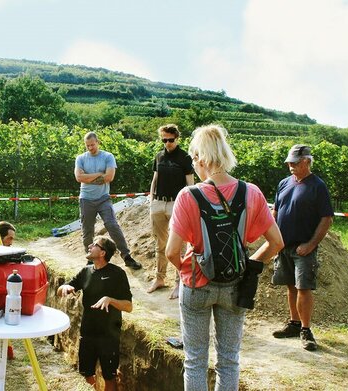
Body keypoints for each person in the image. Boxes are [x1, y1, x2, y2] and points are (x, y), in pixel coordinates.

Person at [165, 124, 283, 391]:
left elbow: (171, 251)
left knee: (195, 361)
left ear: (203, 158)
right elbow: (277, 243)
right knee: (229, 361)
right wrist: (251, 266)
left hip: (197, 285)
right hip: (235, 286)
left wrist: (187, 270)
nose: (193, 164)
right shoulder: (251, 192)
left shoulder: (188, 195)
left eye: (194, 158)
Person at [271, 144, 333, 351]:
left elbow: (326, 218)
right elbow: (276, 210)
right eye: (289, 162)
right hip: (284, 245)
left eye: (295, 162)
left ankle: (306, 330)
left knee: (303, 287)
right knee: (290, 285)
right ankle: (294, 324)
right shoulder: (283, 183)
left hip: (303, 247)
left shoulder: (318, 186)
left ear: (307, 161)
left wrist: (310, 245)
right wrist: (274, 238)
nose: (290, 165)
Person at [57, 236, 132, 391]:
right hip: (88, 332)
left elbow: (128, 306)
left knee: (109, 377)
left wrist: (110, 300)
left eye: (95, 244)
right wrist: (64, 287)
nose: (90, 246)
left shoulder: (117, 274)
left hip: (109, 336)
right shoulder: (86, 271)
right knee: (87, 374)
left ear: (102, 252)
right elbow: (62, 289)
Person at [74, 132, 142, 270]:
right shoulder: (80, 158)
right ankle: (90, 258)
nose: (90, 148)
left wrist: (89, 177)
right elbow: (79, 178)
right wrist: (99, 175)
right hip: (86, 198)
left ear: (98, 142)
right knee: (87, 230)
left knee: (112, 225)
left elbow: (109, 177)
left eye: (92, 145)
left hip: (103, 198)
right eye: (87, 146)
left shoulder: (108, 156)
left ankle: (126, 256)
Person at [147, 124, 194, 295]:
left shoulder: (185, 157)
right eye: (164, 140)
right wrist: (152, 201)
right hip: (158, 203)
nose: (167, 143)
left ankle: (179, 282)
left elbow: (190, 183)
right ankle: (159, 278)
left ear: (177, 138)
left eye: (170, 140)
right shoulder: (159, 156)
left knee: (178, 245)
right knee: (160, 244)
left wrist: (191, 205)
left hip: (177, 204)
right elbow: (155, 179)